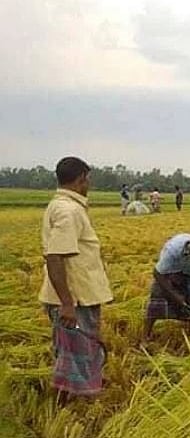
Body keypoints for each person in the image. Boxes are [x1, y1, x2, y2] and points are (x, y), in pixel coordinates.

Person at [39, 157, 113, 402]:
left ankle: (73, 400)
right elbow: (55, 257)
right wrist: (67, 304)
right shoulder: (68, 210)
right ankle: (74, 406)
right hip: (75, 299)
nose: (89, 183)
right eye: (88, 178)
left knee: (76, 353)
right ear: (81, 179)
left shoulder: (64, 206)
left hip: (79, 295)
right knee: (77, 355)